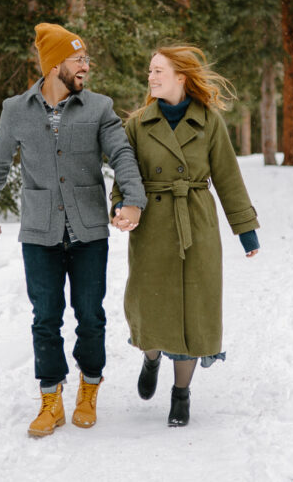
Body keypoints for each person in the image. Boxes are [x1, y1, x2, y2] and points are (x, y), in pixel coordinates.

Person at [0, 23, 146, 438]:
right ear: (55, 65)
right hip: (39, 231)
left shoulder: (98, 108)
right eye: (78, 59)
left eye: (87, 58)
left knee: (90, 316)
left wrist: (133, 198)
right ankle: (50, 399)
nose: (86, 66)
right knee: (45, 318)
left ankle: (89, 387)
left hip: (89, 230)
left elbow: (122, 152)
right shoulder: (16, 110)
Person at [111, 45, 259, 427]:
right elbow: (124, 176)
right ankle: (150, 357)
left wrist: (246, 231)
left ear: (181, 76)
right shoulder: (138, 123)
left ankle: (181, 393)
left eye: (159, 70)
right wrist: (120, 207)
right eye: (149, 71)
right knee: (151, 304)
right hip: (152, 227)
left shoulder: (208, 122)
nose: (151, 76)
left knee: (194, 308)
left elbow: (228, 178)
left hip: (196, 224)